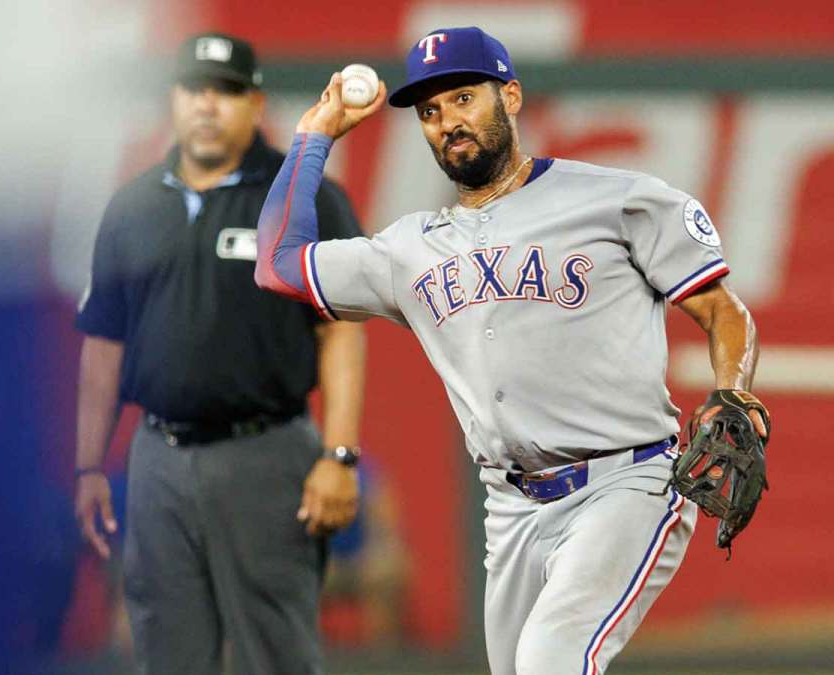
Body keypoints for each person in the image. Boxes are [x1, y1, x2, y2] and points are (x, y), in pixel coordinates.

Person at [255, 26, 769, 675]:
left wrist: (734, 390)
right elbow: (276, 265)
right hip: (511, 507)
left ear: (512, 97)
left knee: (550, 660)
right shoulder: (407, 248)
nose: (448, 122)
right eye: (431, 112)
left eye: (464, 98)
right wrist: (316, 132)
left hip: (625, 480)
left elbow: (722, 310)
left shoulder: (615, 199)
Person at [73, 32, 367, 675]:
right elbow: (103, 344)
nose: (208, 105)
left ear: (256, 103)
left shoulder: (300, 194)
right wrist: (89, 464)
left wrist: (339, 456)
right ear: (173, 100)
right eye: (194, 89)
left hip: (265, 454)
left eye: (227, 91)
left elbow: (341, 328)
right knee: (166, 653)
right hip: (158, 457)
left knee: (277, 653)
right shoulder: (131, 206)